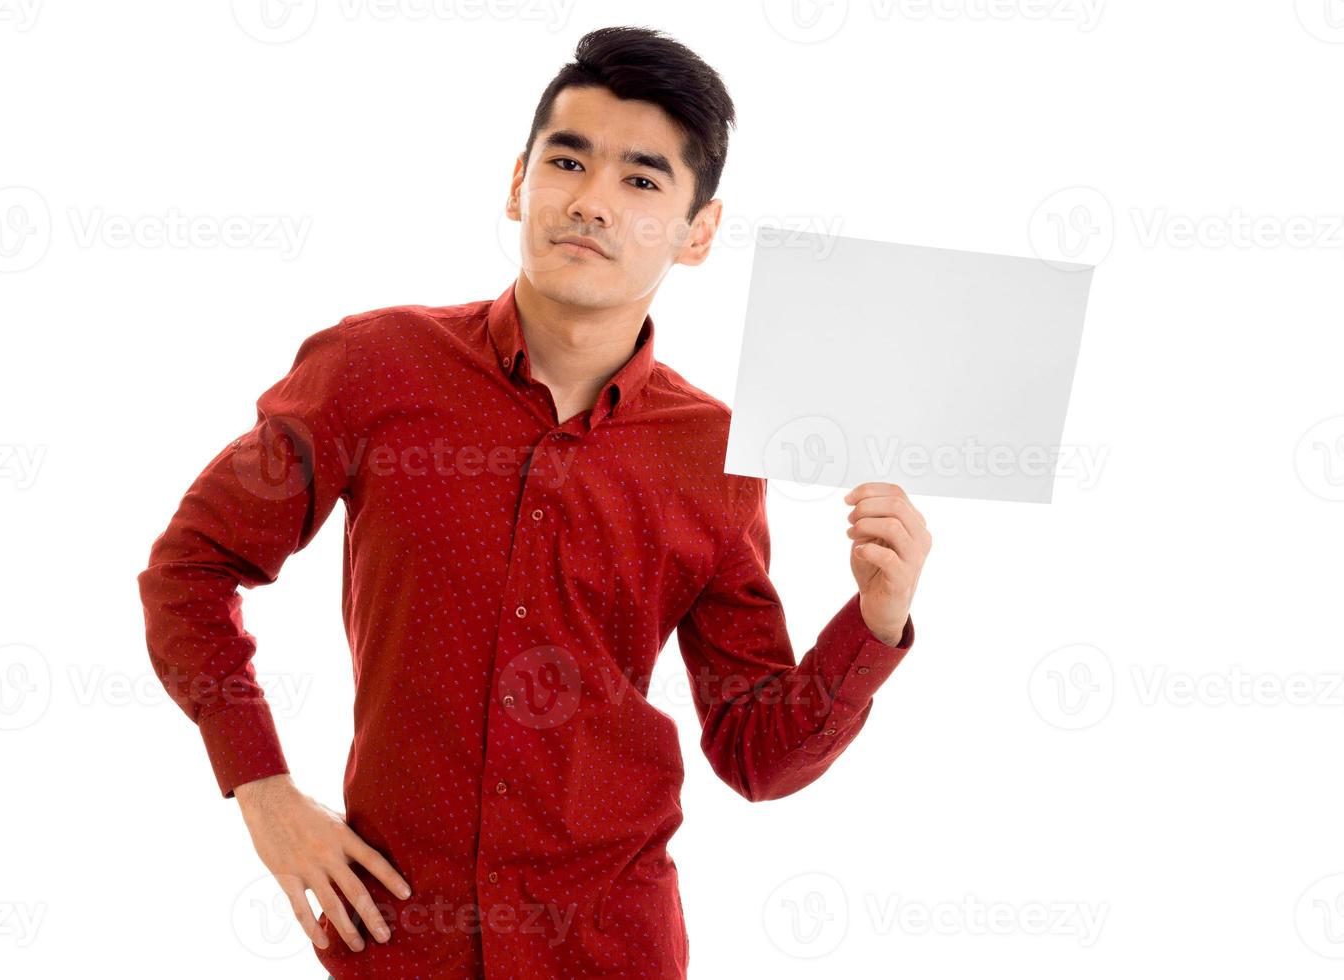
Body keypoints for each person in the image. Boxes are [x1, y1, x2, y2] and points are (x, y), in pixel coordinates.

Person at [136, 25, 930, 980]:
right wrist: (262, 789)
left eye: (642, 181)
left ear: (700, 232)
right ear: (519, 183)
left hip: (613, 946)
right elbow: (189, 570)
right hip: (400, 939)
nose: (591, 202)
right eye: (568, 160)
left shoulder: (717, 456)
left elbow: (755, 752)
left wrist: (877, 620)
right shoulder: (373, 368)